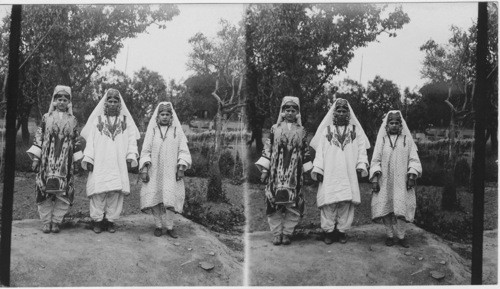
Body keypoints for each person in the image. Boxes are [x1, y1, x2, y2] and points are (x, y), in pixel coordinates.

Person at [310, 98, 370, 244]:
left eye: (344, 111)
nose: (341, 113)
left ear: (348, 114)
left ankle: (341, 231)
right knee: (329, 201)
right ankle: (328, 232)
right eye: (339, 111)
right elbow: (320, 152)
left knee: (346, 202)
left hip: (348, 172)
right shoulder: (327, 131)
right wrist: (318, 169)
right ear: (334, 113)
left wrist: (361, 165)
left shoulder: (356, 132)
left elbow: (362, 150)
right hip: (330, 171)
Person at [80, 88, 140, 234]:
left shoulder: (126, 122)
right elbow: (91, 142)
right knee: (98, 191)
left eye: (115, 101)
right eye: (110, 101)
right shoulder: (97, 121)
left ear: (120, 104)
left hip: (118, 162)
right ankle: (98, 221)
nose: (112, 104)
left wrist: (131, 156)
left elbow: (132, 141)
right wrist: (89, 158)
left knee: (115, 192)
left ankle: (110, 221)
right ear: (105, 103)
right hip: (100, 162)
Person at [255, 96, 312, 246]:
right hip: (276, 172)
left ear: (297, 113)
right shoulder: (275, 128)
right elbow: (268, 148)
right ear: (282, 111)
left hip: (294, 172)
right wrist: (264, 171)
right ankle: (276, 233)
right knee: (274, 202)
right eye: (287, 109)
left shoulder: (301, 130)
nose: (290, 112)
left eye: (293, 110)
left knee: (293, 203)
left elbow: (305, 151)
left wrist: (308, 171)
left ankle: (287, 233)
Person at [26, 85, 82, 233]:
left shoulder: (73, 120)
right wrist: (36, 159)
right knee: (44, 189)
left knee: (63, 191)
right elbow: (39, 137)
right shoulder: (46, 117)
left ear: (69, 102)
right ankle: (46, 221)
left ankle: (56, 221)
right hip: (47, 161)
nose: (62, 102)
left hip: (65, 161)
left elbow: (76, 140)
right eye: (59, 99)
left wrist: (76, 162)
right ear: (55, 101)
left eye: (65, 99)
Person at [369, 110, 422, 248]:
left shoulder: (407, 141)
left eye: (396, 123)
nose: (394, 125)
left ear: (401, 125)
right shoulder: (382, 141)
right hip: (385, 181)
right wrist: (375, 179)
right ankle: (389, 235)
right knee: (386, 209)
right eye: (391, 123)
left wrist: (411, 176)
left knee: (401, 210)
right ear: (386, 126)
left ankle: (401, 236)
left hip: (402, 182)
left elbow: (414, 160)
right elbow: (375, 160)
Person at [138, 102, 191, 238]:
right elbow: (145, 151)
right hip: (154, 171)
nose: (165, 117)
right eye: (162, 114)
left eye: (167, 114)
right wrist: (144, 169)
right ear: (158, 116)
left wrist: (181, 167)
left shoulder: (176, 131)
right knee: (155, 197)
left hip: (171, 172)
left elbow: (183, 151)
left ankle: (170, 226)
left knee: (170, 199)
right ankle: (158, 225)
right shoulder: (153, 131)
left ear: (171, 116)